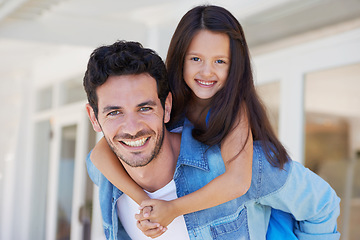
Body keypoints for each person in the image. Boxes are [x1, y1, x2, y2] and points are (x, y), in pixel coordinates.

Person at [84, 40, 340, 240]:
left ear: (167, 107)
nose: (132, 128)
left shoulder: (241, 163)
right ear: (94, 118)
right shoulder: (105, 175)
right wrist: (145, 202)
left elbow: (322, 205)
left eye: (145, 108)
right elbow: (97, 157)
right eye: (114, 112)